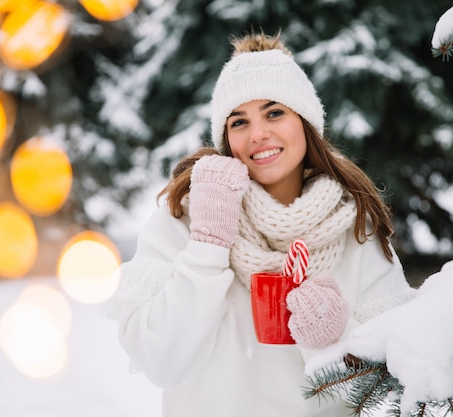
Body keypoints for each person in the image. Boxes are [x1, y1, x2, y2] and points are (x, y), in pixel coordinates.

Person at [106, 31, 416, 417]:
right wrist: (208, 245)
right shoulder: (184, 216)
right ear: (225, 138)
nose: (257, 134)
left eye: (274, 113)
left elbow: (392, 387)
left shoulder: (353, 225)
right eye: (239, 122)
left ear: (304, 121)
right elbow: (161, 361)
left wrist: (332, 339)